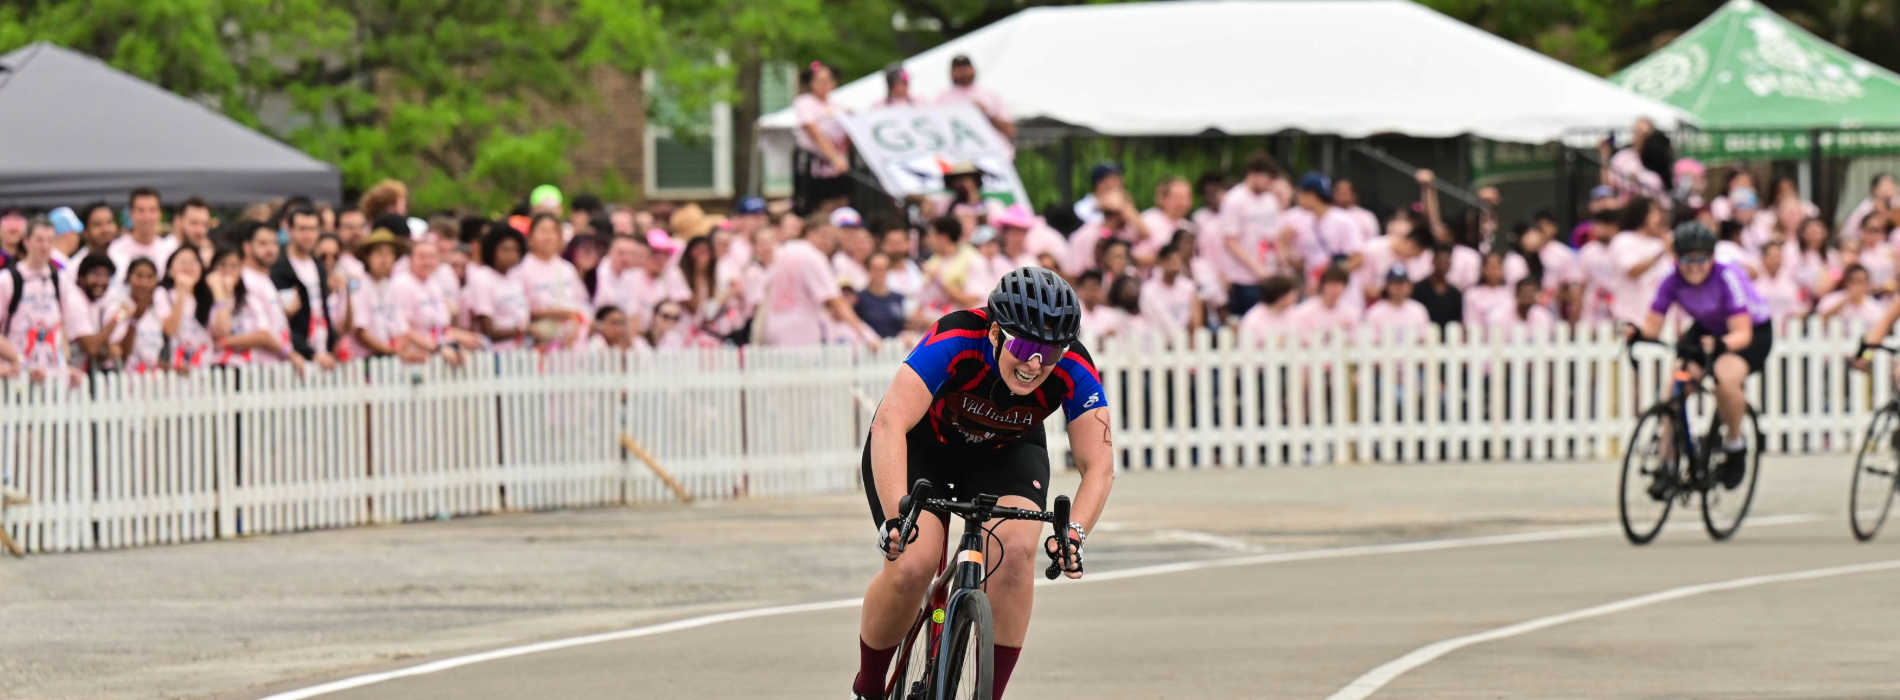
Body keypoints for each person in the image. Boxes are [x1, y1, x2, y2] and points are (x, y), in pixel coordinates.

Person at [850, 268, 1108, 700]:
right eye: (1024, 347)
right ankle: (870, 686)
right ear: (994, 333)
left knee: (1017, 553)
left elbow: (1098, 465)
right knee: (913, 564)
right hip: (923, 449)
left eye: (1050, 353)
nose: (1034, 365)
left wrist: (1075, 534)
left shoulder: (1074, 366)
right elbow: (890, 422)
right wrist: (898, 515)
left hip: (1003, 454)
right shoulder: (955, 338)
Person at [1630, 222, 1771, 494]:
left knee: (1724, 379)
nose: (1693, 266)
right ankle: (1667, 464)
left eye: (1701, 259)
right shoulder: (1671, 281)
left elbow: (1742, 333)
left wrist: (1721, 344)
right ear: (1676, 258)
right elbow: (1652, 326)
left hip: (1749, 331)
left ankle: (1734, 444)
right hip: (1707, 328)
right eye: (1686, 259)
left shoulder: (1727, 277)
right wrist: (1635, 332)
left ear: (1712, 257)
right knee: (1674, 390)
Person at [758, 210, 877, 347]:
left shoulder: (784, 250)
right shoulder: (813, 255)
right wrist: (865, 334)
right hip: (801, 333)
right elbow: (835, 300)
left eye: (832, 238)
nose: (828, 242)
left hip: (774, 327)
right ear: (810, 233)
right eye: (824, 235)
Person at [0, 219, 89, 382]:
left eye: (50, 240)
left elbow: (61, 326)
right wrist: (21, 363)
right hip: (18, 376)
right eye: (39, 240)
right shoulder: (8, 280)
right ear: (26, 241)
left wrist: (64, 365)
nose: (45, 246)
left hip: (52, 377)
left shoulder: (59, 279)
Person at [345, 226, 439, 363]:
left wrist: (399, 350)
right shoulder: (360, 285)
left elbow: (400, 328)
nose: (385, 259)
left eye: (389, 254)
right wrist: (391, 352)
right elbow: (360, 331)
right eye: (379, 253)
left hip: (389, 359)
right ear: (367, 256)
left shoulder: (389, 286)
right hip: (367, 360)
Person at [220, 223, 303, 371]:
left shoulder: (264, 278)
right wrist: (291, 354)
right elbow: (261, 333)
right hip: (253, 370)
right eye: (263, 244)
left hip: (271, 369)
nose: (270, 249)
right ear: (247, 247)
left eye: (274, 243)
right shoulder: (245, 280)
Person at [272, 205, 341, 370]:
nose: (307, 235)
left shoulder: (317, 265)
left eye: (312, 229)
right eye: (302, 229)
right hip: (296, 358)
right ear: (289, 230)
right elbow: (284, 319)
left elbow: (323, 309)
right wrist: (308, 352)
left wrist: (333, 342)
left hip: (323, 350)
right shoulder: (280, 267)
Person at [513, 213, 592, 349]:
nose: (549, 237)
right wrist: (556, 313)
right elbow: (517, 310)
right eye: (543, 231)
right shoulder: (521, 270)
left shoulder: (567, 269)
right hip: (537, 341)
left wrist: (575, 323)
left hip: (571, 341)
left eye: (554, 231)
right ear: (531, 237)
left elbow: (581, 304)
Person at [1217, 154, 1283, 315]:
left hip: (1269, 272)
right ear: (1253, 175)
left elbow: (1274, 234)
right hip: (1244, 276)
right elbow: (1230, 241)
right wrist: (1256, 267)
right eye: (1267, 180)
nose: (1269, 185)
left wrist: (1280, 256)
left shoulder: (1270, 200)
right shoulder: (1235, 200)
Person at [794, 60, 853, 212]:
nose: (824, 84)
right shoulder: (804, 102)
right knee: (819, 206)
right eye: (819, 81)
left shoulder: (839, 106)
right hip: (814, 165)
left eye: (828, 80)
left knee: (841, 202)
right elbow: (814, 132)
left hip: (838, 164)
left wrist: (842, 154)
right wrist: (834, 157)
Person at [466, 224, 534, 351]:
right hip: (493, 353)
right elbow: (488, 331)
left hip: (520, 350)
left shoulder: (515, 278)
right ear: (492, 250)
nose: (511, 256)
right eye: (505, 250)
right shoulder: (482, 278)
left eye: (516, 251)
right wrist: (525, 331)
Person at [1608, 196, 1674, 325]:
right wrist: (1662, 251)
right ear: (1641, 214)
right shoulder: (1624, 240)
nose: (1660, 218)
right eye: (1654, 212)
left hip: (1662, 321)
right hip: (1630, 318)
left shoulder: (1664, 242)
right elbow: (1632, 271)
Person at [933, 54, 1015, 143]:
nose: (963, 72)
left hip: (993, 151)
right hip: (958, 154)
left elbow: (1010, 130)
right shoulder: (941, 99)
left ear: (973, 69)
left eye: (965, 67)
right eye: (958, 69)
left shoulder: (989, 95)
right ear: (952, 73)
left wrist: (986, 114)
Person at [919, 216, 987, 315]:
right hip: (932, 321)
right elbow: (923, 301)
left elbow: (971, 301)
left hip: (962, 323)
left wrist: (940, 281)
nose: (929, 241)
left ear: (943, 238)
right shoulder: (932, 262)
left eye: (932, 236)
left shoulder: (974, 260)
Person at [109, 258, 167, 372]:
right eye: (139, 276)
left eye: (150, 277)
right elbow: (118, 352)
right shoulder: (120, 307)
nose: (144, 283)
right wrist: (133, 320)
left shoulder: (156, 311)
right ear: (128, 277)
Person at [109, 187, 178, 279]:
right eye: (141, 210)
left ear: (160, 214)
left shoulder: (169, 251)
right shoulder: (116, 249)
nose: (147, 217)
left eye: (152, 210)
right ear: (131, 214)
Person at [1140, 242, 1202, 337]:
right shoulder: (1147, 290)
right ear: (1161, 262)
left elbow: (1196, 322)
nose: (1175, 264)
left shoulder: (1189, 287)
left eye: (1178, 261)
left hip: (1184, 343)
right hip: (1157, 341)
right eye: (1171, 260)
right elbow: (1147, 320)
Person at [70, 253, 120, 371]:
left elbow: (95, 351)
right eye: (96, 274)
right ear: (81, 276)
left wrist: (107, 351)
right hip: (63, 380)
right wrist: (119, 316)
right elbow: (91, 347)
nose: (101, 281)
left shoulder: (93, 305)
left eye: (106, 276)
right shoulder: (74, 301)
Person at [1136, 177, 1193, 267]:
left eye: (1186, 197)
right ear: (1162, 199)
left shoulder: (1188, 227)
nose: (1183, 203)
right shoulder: (1147, 220)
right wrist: (1166, 260)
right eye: (1178, 198)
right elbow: (1132, 256)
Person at [1361, 264, 1431, 336]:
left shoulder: (1418, 310)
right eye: (1395, 283)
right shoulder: (1375, 312)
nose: (1399, 287)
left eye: (1402, 283)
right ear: (1387, 286)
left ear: (1409, 286)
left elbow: (1424, 339)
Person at [1289, 266, 1358, 339]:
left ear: (1345, 288)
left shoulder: (1351, 313)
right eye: (1331, 285)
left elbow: (1353, 339)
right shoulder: (1304, 311)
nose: (1334, 290)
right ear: (1322, 285)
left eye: (1338, 285)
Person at [854, 252, 907, 339]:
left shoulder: (898, 298)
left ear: (888, 270)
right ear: (868, 270)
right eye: (875, 269)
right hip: (868, 349)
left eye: (882, 269)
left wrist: (906, 333)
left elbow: (904, 326)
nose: (879, 273)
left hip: (896, 348)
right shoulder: (859, 299)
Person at [1237, 275, 1301, 341]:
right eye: (1291, 293)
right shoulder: (1254, 318)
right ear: (1281, 296)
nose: (1295, 296)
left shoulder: (1294, 312)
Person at [1411, 246, 1463, 327]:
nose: (1443, 266)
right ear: (1433, 262)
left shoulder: (1455, 293)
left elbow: (1458, 320)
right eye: (1440, 262)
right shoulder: (1418, 288)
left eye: (1446, 263)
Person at [1817, 264, 1884, 327]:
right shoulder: (1831, 299)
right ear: (1847, 282)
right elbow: (1818, 321)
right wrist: (1846, 300)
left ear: (1867, 284)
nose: (1858, 287)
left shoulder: (1874, 306)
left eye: (1861, 282)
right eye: (1854, 282)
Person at [1462, 252, 1515, 328]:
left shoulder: (1511, 293)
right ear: (1483, 269)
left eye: (1497, 267)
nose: (1494, 272)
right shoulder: (1472, 294)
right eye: (1491, 267)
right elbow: (1470, 322)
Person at [1845, 173, 1900, 239]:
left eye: (1892, 184)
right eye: (1885, 184)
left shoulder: (1895, 203)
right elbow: (1849, 232)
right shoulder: (1865, 208)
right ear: (1875, 189)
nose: (1890, 187)